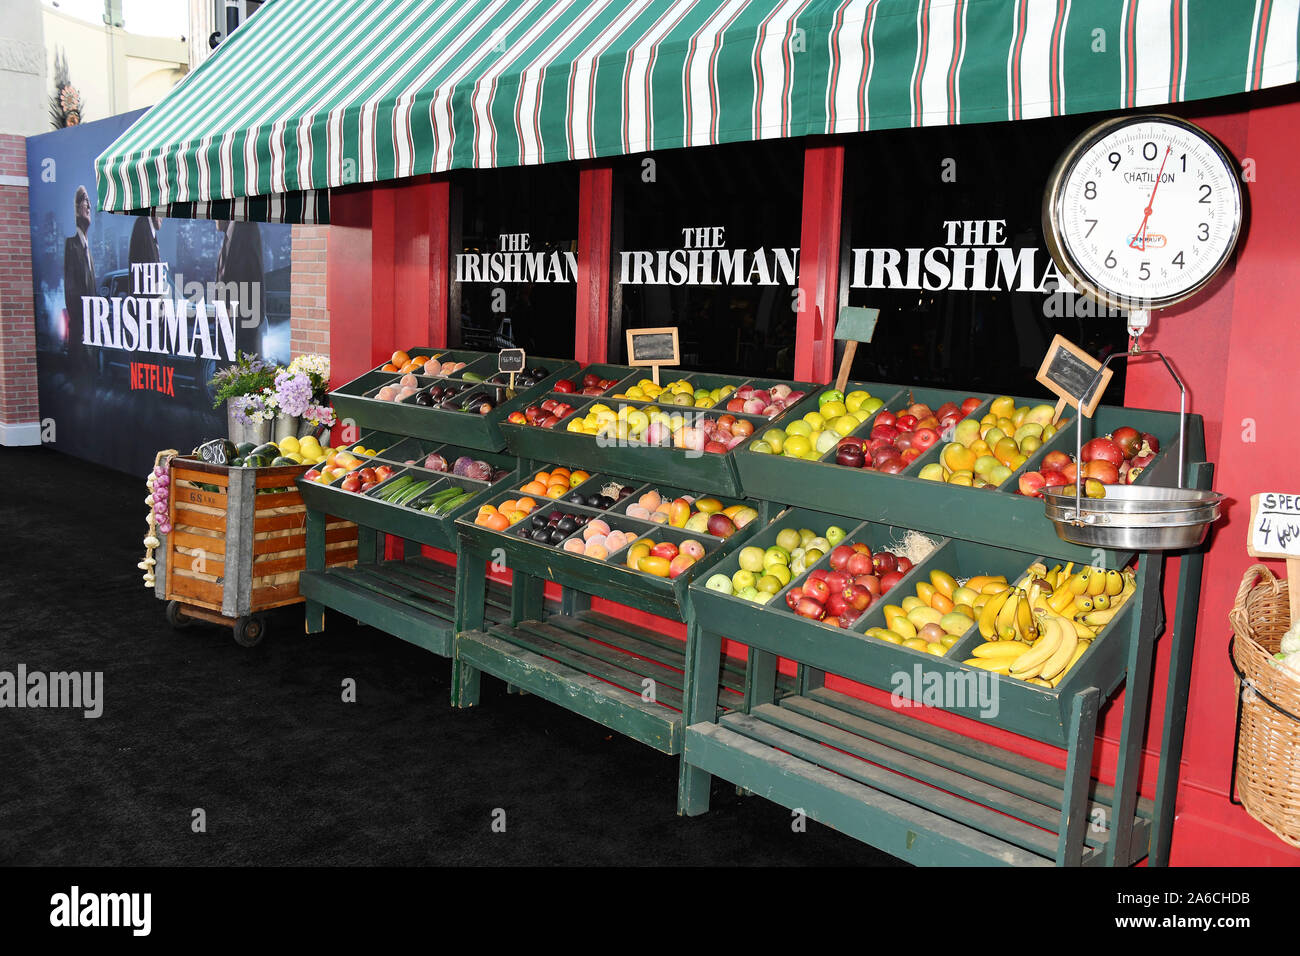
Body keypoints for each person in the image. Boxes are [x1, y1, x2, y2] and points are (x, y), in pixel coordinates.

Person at [215, 219, 265, 359]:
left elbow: (242, 272)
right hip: (240, 317)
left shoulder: (241, 227)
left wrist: (228, 306)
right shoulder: (237, 227)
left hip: (240, 320)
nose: (214, 220)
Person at [63, 185, 96, 360]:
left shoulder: (89, 251)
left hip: (91, 338)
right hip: (80, 339)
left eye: (90, 201)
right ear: (76, 208)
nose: (89, 206)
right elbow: (70, 292)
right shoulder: (71, 245)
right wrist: (82, 328)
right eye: (85, 200)